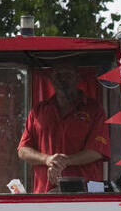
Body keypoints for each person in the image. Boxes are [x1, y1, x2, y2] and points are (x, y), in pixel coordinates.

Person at [16, 64, 110, 194]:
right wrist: (47, 159)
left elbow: (97, 151)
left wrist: (64, 161)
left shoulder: (94, 110)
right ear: (52, 80)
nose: (62, 80)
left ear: (78, 78)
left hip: (86, 195)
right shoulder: (38, 111)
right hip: (44, 195)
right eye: (58, 76)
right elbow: (23, 150)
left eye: (68, 75)